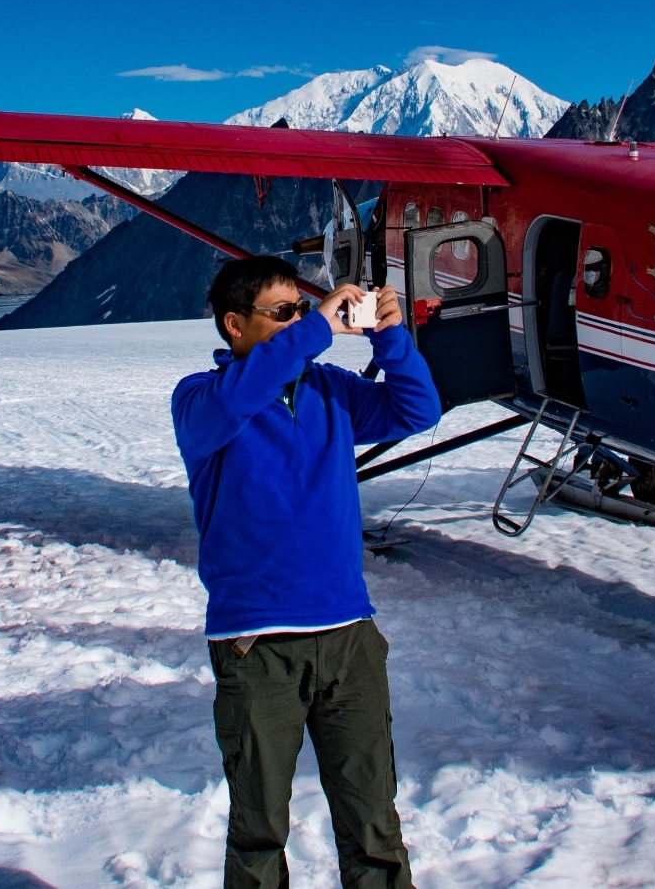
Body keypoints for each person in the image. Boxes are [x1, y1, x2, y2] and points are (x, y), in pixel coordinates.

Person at [172, 254, 443, 889]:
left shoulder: (329, 390)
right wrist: (317, 327)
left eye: (302, 307)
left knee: (373, 822)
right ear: (235, 326)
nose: (301, 319)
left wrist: (391, 338)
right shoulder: (201, 401)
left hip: (349, 636)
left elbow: (417, 411)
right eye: (285, 312)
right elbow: (245, 389)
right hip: (257, 645)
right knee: (259, 833)